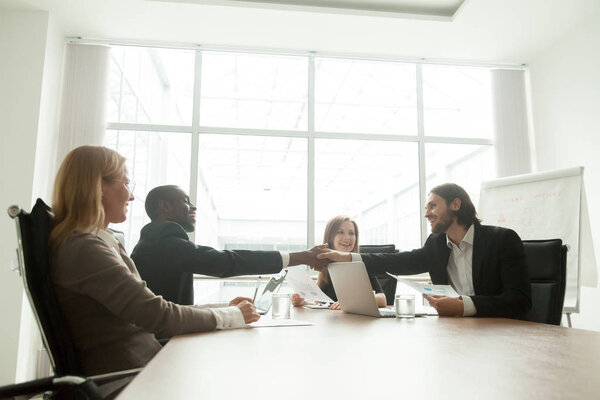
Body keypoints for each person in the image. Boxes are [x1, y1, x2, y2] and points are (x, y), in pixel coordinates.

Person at [49, 146, 264, 377]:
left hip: (148, 366)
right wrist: (233, 316)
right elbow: (157, 315)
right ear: (99, 186)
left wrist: (226, 310)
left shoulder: (100, 241)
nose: (131, 196)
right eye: (126, 183)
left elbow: (154, 309)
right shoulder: (85, 249)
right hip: (132, 378)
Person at [317, 183, 532, 319]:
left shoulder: (502, 240)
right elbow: (397, 261)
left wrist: (462, 306)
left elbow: (519, 301)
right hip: (457, 331)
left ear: (455, 205)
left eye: (432, 206)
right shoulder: (437, 243)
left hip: (500, 331)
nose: (427, 214)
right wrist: (347, 257)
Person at [131, 185, 329, 306]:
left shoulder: (155, 240)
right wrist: (301, 257)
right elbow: (224, 262)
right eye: (186, 201)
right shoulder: (162, 240)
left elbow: (173, 306)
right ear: (164, 206)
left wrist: (226, 309)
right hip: (162, 346)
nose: (194, 206)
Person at [291, 216, 387, 310]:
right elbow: (320, 302)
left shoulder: (361, 263)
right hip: (336, 321)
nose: (347, 237)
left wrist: (352, 301)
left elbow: (382, 299)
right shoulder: (327, 266)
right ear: (330, 237)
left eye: (351, 233)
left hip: (358, 322)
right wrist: (303, 302)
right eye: (340, 232)